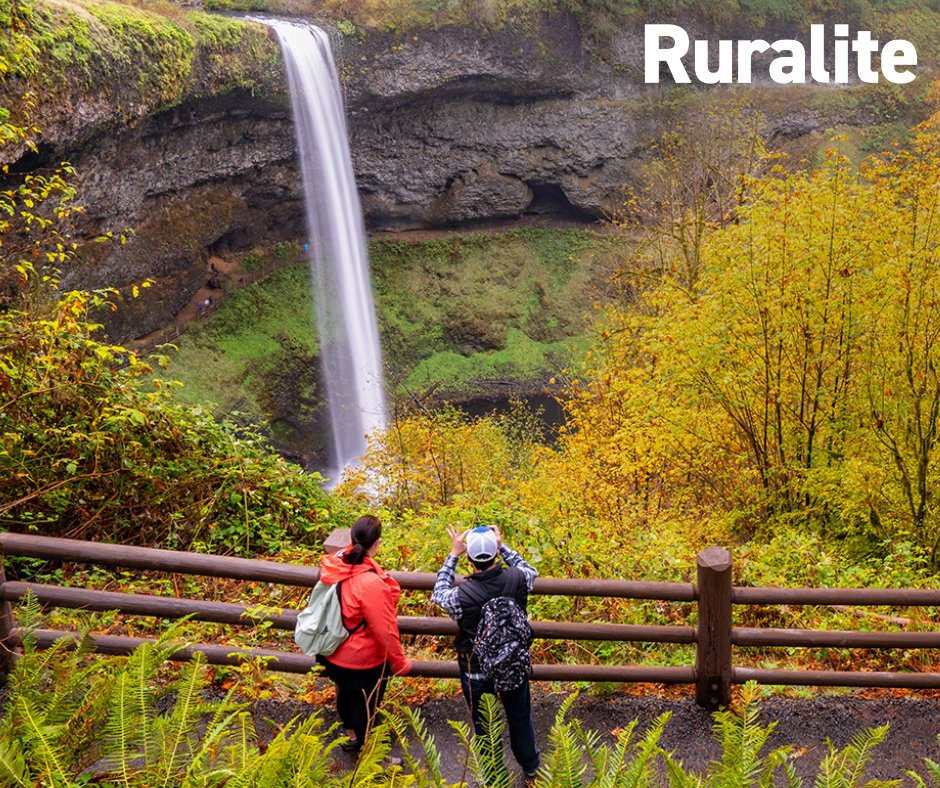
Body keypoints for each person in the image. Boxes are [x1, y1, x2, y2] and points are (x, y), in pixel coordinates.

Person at [431, 525, 540, 778]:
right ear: (495, 554)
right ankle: (531, 766)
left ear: (470, 559)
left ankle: (494, 775)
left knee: (485, 725)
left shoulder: (461, 596)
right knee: (520, 717)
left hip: (476, 667)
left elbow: (439, 594)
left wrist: (453, 554)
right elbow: (530, 570)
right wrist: (503, 547)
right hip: (514, 661)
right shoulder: (517, 578)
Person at [318, 515, 412, 753]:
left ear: (352, 539)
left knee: (345, 696)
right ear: (377, 543)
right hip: (364, 660)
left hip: (333, 650)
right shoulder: (371, 584)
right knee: (367, 705)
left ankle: (351, 736)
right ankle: (366, 750)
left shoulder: (333, 565)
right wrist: (399, 662)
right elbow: (385, 630)